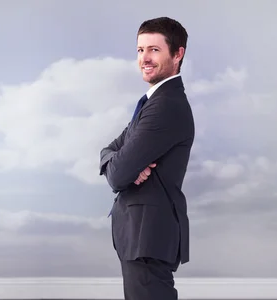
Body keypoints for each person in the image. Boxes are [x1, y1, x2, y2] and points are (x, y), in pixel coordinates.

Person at [98, 17, 194, 300]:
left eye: (154, 50)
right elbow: (109, 151)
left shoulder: (165, 106)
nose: (144, 58)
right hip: (142, 237)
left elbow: (117, 175)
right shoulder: (153, 103)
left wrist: (123, 165)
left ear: (178, 54)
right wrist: (119, 161)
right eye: (140, 50)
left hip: (148, 238)